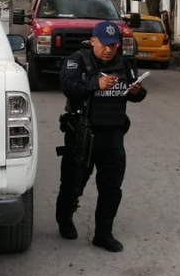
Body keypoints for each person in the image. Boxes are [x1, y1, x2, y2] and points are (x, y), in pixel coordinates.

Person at [55, 20, 147, 252]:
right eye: (104, 44)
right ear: (93, 41)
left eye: (113, 45)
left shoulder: (124, 64)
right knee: (73, 183)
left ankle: (103, 234)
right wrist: (96, 83)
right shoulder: (77, 60)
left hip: (113, 135)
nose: (109, 49)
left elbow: (137, 95)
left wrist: (137, 91)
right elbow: (68, 85)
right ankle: (64, 221)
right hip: (82, 135)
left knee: (111, 188)